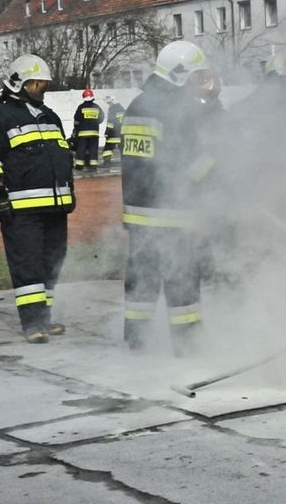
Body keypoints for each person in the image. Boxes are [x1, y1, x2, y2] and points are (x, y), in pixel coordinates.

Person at [120, 40, 226, 354]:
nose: (198, 82)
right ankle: (187, 342)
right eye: (195, 76)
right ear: (179, 74)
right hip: (173, 213)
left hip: (139, 213)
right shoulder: (175, 111)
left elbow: (142, 164)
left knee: (143, 277)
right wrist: (216, 163)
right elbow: (184, 167)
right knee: (182, 276)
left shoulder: (138, 107)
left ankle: (137, 340)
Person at [0, 54, 75, 344]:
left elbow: (62, 157)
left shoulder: (50, 117)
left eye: (44, 84)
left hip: (55, 207)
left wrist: (69, 191)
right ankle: (32, 323)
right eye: (35, 83)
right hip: (21, 210)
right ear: (18, 83)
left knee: (52, 263)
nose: (41, 88)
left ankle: (45, 318)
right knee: (27, 265)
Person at [72, 89, 104, 173]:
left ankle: (79, 165)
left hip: (83, 133)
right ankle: (93, 165)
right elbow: (101, 118)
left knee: (81, 149)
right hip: (94, 132)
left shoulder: (81, 107)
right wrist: (94, 122)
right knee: (93, 149)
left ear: (84, 97)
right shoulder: (96, 107)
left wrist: (76, 128)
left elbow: (76, 120)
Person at [102, 96, 125, 169]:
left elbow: (110, 123)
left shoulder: (112, 110)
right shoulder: (122, 109)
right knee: (123, 150)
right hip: (122, 133)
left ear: (112, 102)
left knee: (107, 149)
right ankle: (125, 163)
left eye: (109, 103)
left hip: (113, 134)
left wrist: (107, 132)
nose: (109, 104)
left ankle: (107, 163)